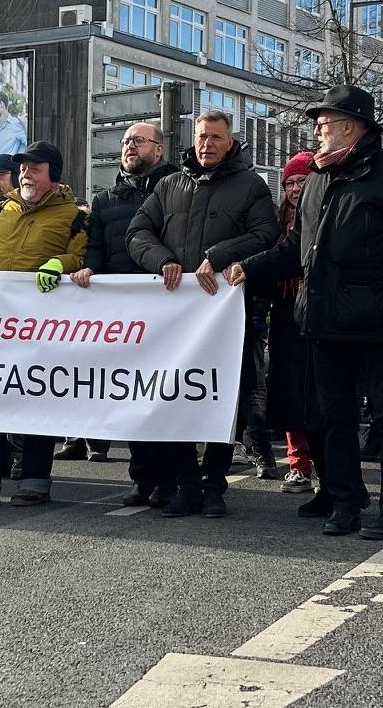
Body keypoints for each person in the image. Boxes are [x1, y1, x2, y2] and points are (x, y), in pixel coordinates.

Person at [229, 85, 383, 540]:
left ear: (350, 126)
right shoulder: (318, 179)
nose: (318, 132)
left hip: (379, 319)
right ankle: (345, 502)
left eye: (324, 124)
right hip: (324, 318)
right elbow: (296, 247)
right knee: (333, 415)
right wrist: (248, 267)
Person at [127, 111, 281, 518]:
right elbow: (137, 233)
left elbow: (266, 234)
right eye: (201, 137)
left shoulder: (251, 186)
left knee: (221, 398)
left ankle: (214, 484)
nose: (207, 144)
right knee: (177, 396)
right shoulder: (169, 185)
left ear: (230, 142)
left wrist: (218, 256)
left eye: (215, 137)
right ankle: (187, 484)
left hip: (227, 316)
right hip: (177, 318)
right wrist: (163, 259)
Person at [0, 140, 88, 508]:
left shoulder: (72, 215)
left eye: (34, 169)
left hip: (41, 326)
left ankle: (35, 481)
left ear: (52, 176)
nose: (25, 174)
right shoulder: (4, 211)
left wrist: (61, 263)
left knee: (37, 401)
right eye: (23, 168)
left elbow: (81, 254)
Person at [78, 122, 178, 497]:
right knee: (132, 395)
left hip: (167, 306)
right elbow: (96, 248)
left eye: (138, 141)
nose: (129, 147)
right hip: (123, 312)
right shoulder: (106, 200)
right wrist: (91, 269)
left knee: (163, 396)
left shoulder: (178, 188)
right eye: (125, 142)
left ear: (159, 149)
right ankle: (142, 477)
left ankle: (169, 478)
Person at [259, 151, 324, 499]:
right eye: (290, 184)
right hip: (285, 312)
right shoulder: (276, 223)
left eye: (302, 181)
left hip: (317, 311)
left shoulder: (323, 213)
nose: (296, 189)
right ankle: (298, 463)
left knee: (317, 391)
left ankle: (326, 466)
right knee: (289, 390)